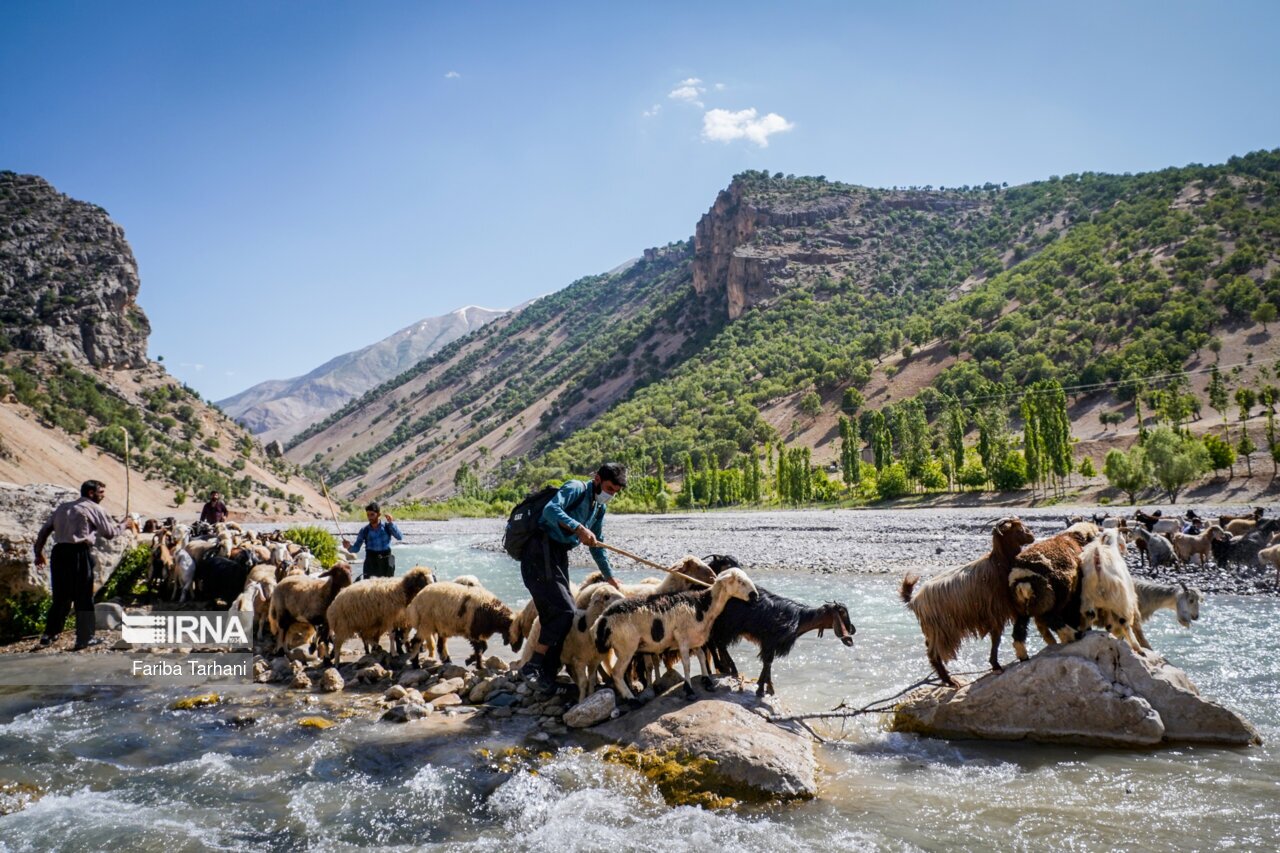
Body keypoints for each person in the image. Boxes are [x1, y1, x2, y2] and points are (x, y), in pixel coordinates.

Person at [519, 462, 625, 690]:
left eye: (615, 492)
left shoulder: (598, 508)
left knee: (567, 612)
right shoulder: (575, 488)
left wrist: (609, 577)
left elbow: (597, 544)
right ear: (597, 479)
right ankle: (532, 666)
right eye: (608, 488)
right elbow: (550, 510)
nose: (610, 495)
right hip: (539, 550)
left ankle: (547, 675)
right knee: (564, 611)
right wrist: (578, 528)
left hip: (558, 554)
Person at [32, 480, 124, 650]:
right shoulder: (94, 508)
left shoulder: (62, 508)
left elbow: (44, 530)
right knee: (84, 597)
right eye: (101, 492)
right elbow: (109, 533)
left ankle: (49, 635)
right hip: (79, 553)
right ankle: (84, 638)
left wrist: (38, 553)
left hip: (59, 553)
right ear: (91, 493)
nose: (103, 496)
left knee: (61, 597)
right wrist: (125, 525)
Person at [342, 502, 402, 579]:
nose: (370, 517)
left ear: (379, 514)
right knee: (368, 585)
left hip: (386, 562)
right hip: (371, 563)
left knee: (386, 585)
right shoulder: (364, 530)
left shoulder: (387, 527)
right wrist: (349, 547)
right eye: (368, 515)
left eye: (372, 514)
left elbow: (399, 537)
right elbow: (356, 548)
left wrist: (391, 523)